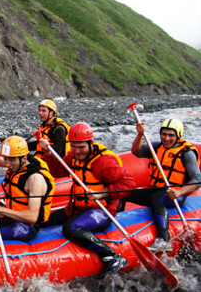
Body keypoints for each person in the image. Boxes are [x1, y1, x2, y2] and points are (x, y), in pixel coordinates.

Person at [39, 122, 136, 278]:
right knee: (42, 219)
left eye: (81, 147)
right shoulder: (73, 156)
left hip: (101, 211)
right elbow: (57, 171)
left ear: (91, 143)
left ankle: (112, 256)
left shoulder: (103, 162)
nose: (77, 151)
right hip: (78, 207)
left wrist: (102, 193)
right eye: (74, 146)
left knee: (71, 228)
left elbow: (129, 184)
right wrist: (48, 154)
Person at [121, 119, 201, 251]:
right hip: (156, 190)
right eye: (164, 134)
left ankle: (164, 240)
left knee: (156, 199)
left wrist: (180, 192)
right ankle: (115, 223)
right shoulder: (157, 147)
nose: (167, 138)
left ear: (178, 136)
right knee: (123, 193)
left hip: (174, 194)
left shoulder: (187, 153)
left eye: (171, 135)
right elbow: (136, 151)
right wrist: (140, 134)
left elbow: (197, 180)